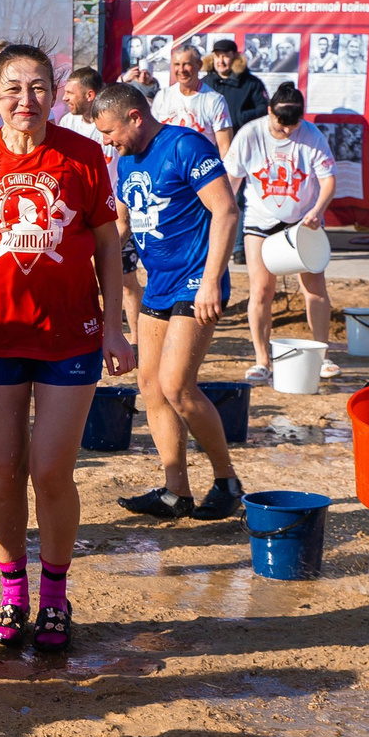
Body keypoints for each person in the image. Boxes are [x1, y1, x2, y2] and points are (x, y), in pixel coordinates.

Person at [0, 45, 128, 653]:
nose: (27, 100)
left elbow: (106, 246)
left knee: (49, 470)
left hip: (71, 338)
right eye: (14, 88)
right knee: (3, 469)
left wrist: (116, 325)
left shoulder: (85, 155)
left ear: (58, 92)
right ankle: (12, 593)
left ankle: (55, 593)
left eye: (40, 87)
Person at [93, 83, 243, 521]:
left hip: (195, 281)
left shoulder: (185, 145)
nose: (107, 140)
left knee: (177, 384)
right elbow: (120, 225)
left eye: (110, 131)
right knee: (150, 386)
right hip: (157, 283)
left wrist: (212, 281)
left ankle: (226, 481)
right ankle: (176, 492)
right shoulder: (126, 159)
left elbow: (226, 211)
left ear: (135, 116)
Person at [227, 84, 337, 386]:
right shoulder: (250, 134)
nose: (287, 131)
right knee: (262, 290)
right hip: (260, 221)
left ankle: (321, 355)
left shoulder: (312, 136)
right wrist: (223, 214)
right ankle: (262, 360)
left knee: (314, 290)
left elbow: (328, 181)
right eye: (280, 123)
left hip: (304, 222)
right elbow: (231, 180)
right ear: (269, 112)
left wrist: (317, 210)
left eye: (293, 125)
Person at [150, 43, 232, 154]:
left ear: (199, 65)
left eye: (186, 64)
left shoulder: (215, 100)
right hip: (167, 165)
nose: (181, 69)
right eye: (177, 64)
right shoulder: (163, 96)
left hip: (200, 165)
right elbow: (151, 138)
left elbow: (225, 148)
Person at [202, 38, 269, 133]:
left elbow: (264, 109)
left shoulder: (252, 83)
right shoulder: (205, 82)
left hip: (242, 138)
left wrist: (239, 117)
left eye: (225, 56)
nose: (221, 61)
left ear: (235, 57)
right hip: (211, 140)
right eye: (217, 56)